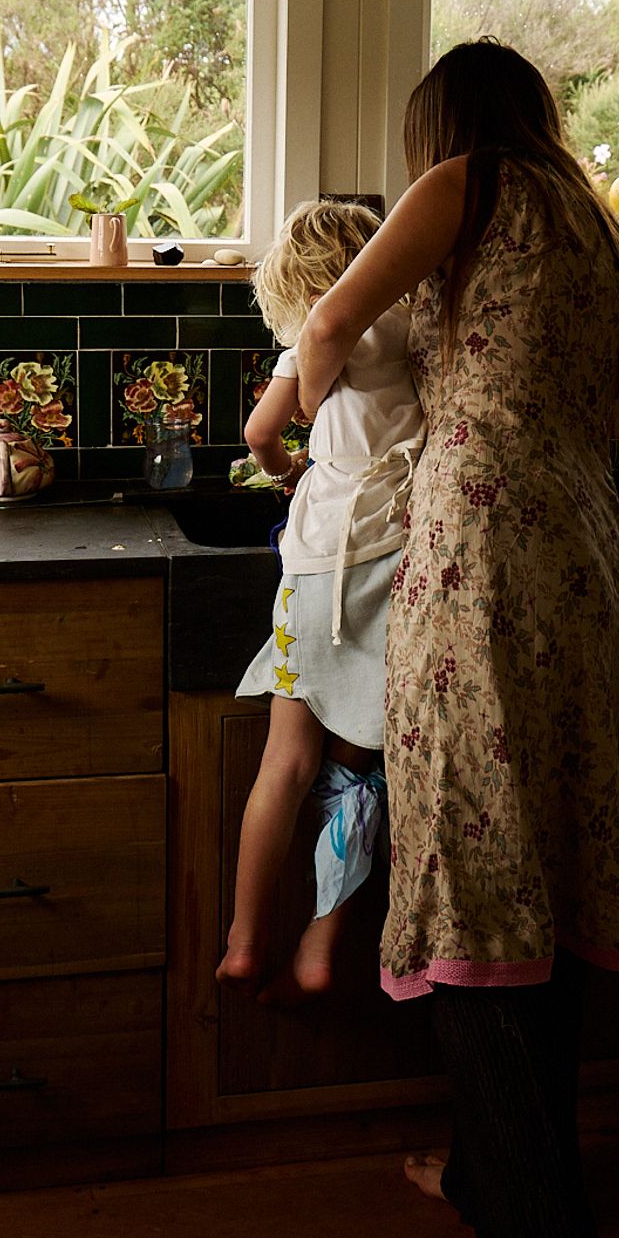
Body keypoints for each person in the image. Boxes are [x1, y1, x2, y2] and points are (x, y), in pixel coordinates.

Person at [293, 40, 619, 1238]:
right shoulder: (593, 218)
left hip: (486, 547)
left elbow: (328, 329)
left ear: (441, 126)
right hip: (580, 548)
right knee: (539, 866)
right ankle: (489, 1177)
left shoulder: (464, 184)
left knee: (472, 871)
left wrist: (280, 438)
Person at [220, 199, 424, 1002]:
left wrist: (287, 469)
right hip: (398, 559)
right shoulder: (409, 325)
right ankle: (321, 939)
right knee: (357, 772)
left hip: (317, 568)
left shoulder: (311, 334)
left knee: (284, 766)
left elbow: (259, 434)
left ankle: (243, 940)